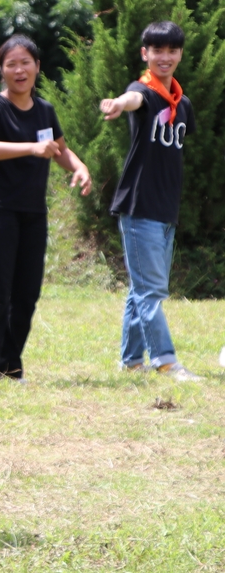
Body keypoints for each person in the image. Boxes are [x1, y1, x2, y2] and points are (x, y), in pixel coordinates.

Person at [0, 36, 91, 388]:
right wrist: (32, 148)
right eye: (11, 64)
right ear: (2, 70)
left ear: (37, 66)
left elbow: (60, 151)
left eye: (26, 62)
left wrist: (79, 167)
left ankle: (9, 367)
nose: (19, 70)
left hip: (33, 214)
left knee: (26, 295)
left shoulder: (45, 110)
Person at [100, 21, 200, 381]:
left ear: (180, 54)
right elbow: (133, 100)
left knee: (141, 288)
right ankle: (166, 360)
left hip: (165, 209)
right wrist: (118, 104)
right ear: (146, 54)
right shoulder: (144, 91)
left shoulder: (182, 104)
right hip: (139, 205)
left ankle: (131, 360)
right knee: (152, 290)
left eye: (172, 50)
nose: (165, 57)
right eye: (157, 50)